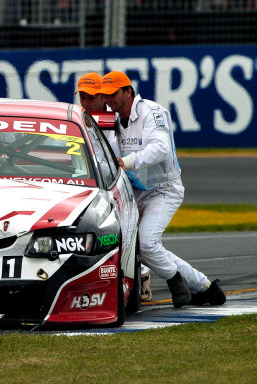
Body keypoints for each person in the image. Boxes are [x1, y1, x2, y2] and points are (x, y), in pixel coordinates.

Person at [97, 70, 226, 308]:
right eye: (104, 95)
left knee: (146, 244)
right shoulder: (111, 118)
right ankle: (205, 288)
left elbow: (161, 148)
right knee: (136, 246)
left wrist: (128, 162)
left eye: (113, 94)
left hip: (163, 189)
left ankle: (178, 282)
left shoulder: (152, 112)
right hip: (134, 191)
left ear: (128, 91)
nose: (108, 100)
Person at [76, 71, 152, 301]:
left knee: (133, 233)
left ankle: (142, 277)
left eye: (92, 97)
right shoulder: (79, 117)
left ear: (103, 97)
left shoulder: (118, 119)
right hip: (93, 183)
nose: (87, 102)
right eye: (83, 97)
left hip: (125, 183)